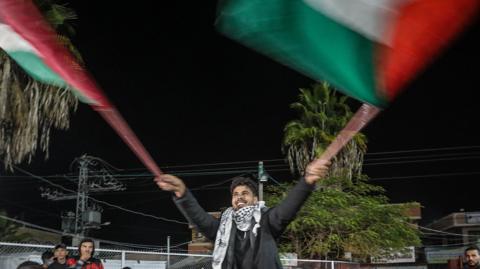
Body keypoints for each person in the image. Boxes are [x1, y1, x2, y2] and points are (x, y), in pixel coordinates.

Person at [155, 158, 330, 269]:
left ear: (255, 199)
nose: (239, 197)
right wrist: (182, 192)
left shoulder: (267, 221)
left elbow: (287, 209)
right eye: (235, 194)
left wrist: (306, 182)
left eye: (245, 193)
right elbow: (199, 219)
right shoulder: (222, 227)